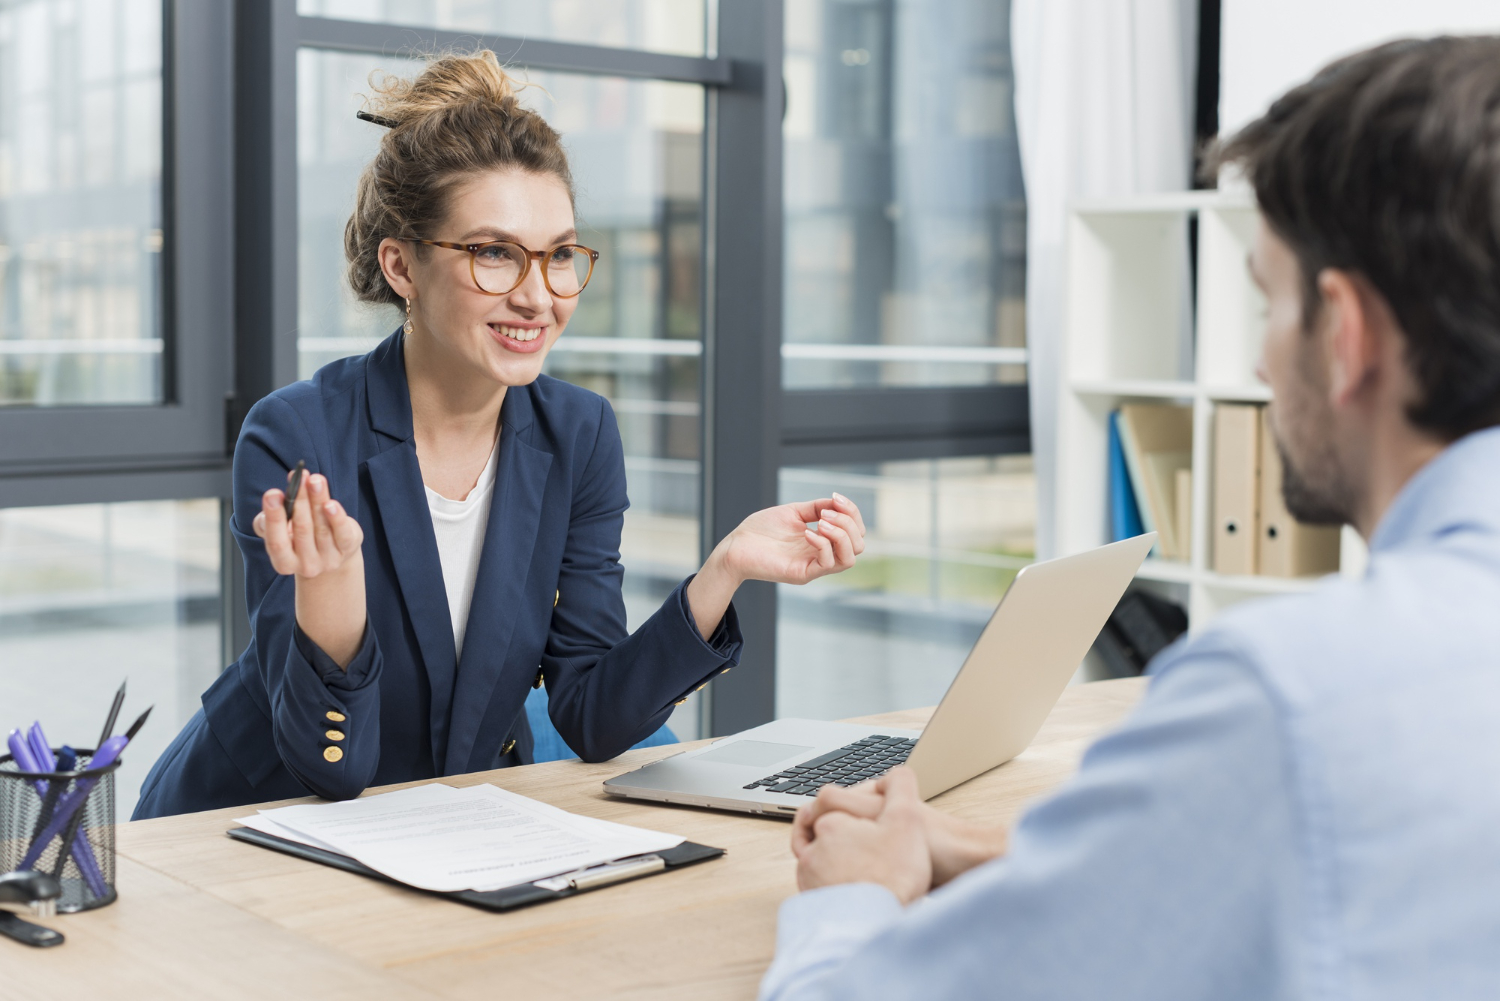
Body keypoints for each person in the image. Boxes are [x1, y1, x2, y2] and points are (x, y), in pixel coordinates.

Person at [760, 36, 1500, 1001]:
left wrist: (853, 896)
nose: (1261, 367)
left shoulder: (1291, 698)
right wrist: (995, 854)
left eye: (1267, 305)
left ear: (1346, 333)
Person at [134, 51, 867, 819]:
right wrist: (331, 593)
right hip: (245, 824)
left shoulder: (577, 433)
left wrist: (723, 572)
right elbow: (335, 769)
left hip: (450, 831)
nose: (536, 296)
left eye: (558, 256)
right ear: (402, 267)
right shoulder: (297, 434)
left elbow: (590, 713)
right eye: (493, 253)